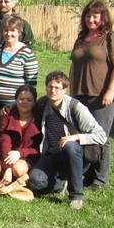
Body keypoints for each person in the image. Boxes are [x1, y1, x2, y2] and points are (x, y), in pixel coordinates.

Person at [28, 71, 107, 210]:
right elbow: (26, 107)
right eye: (50, 87)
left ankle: (76, 196)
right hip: (52, 153)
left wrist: (76, 137)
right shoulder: (43, 103)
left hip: (76, 155)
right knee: (35, 182)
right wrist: (10, 107)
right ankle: (61, 183)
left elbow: (101, 135)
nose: (53, 91)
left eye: (57, 88)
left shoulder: (75, 107)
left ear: (65, 89)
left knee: (70, 145)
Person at [69, 0, 114, 190]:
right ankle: (87, 174)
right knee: (83, 135)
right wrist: (71, 92)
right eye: (87, 15)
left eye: (95, 16)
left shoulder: (111, 38)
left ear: (103, 18)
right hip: (80, 95)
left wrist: (110, 91)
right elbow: (74, 65)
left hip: (101, 96)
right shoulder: (81, 39)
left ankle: (100, 179)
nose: (90, 19)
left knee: (100, 137)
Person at [0, 14, 39, 144]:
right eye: (6, 30)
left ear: (19, 32)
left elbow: (31, 84)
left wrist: (16, 103)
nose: (9, 34)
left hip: (13, 104)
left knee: (7, 137)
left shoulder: (27, 53)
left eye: (13, 30)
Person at [0, 85, 41, 188]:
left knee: (18, 169)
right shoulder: (7, 116)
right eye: (21, 99)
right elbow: (4, 142)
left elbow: (39, 147)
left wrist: (20, 153)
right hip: (6, 152)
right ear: (16, 100)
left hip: (28, 154)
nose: (25, 102)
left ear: (34, 102)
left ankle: (20, 181)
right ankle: (9, 179)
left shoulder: (39, 118)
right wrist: (8, 168)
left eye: (29, 100)